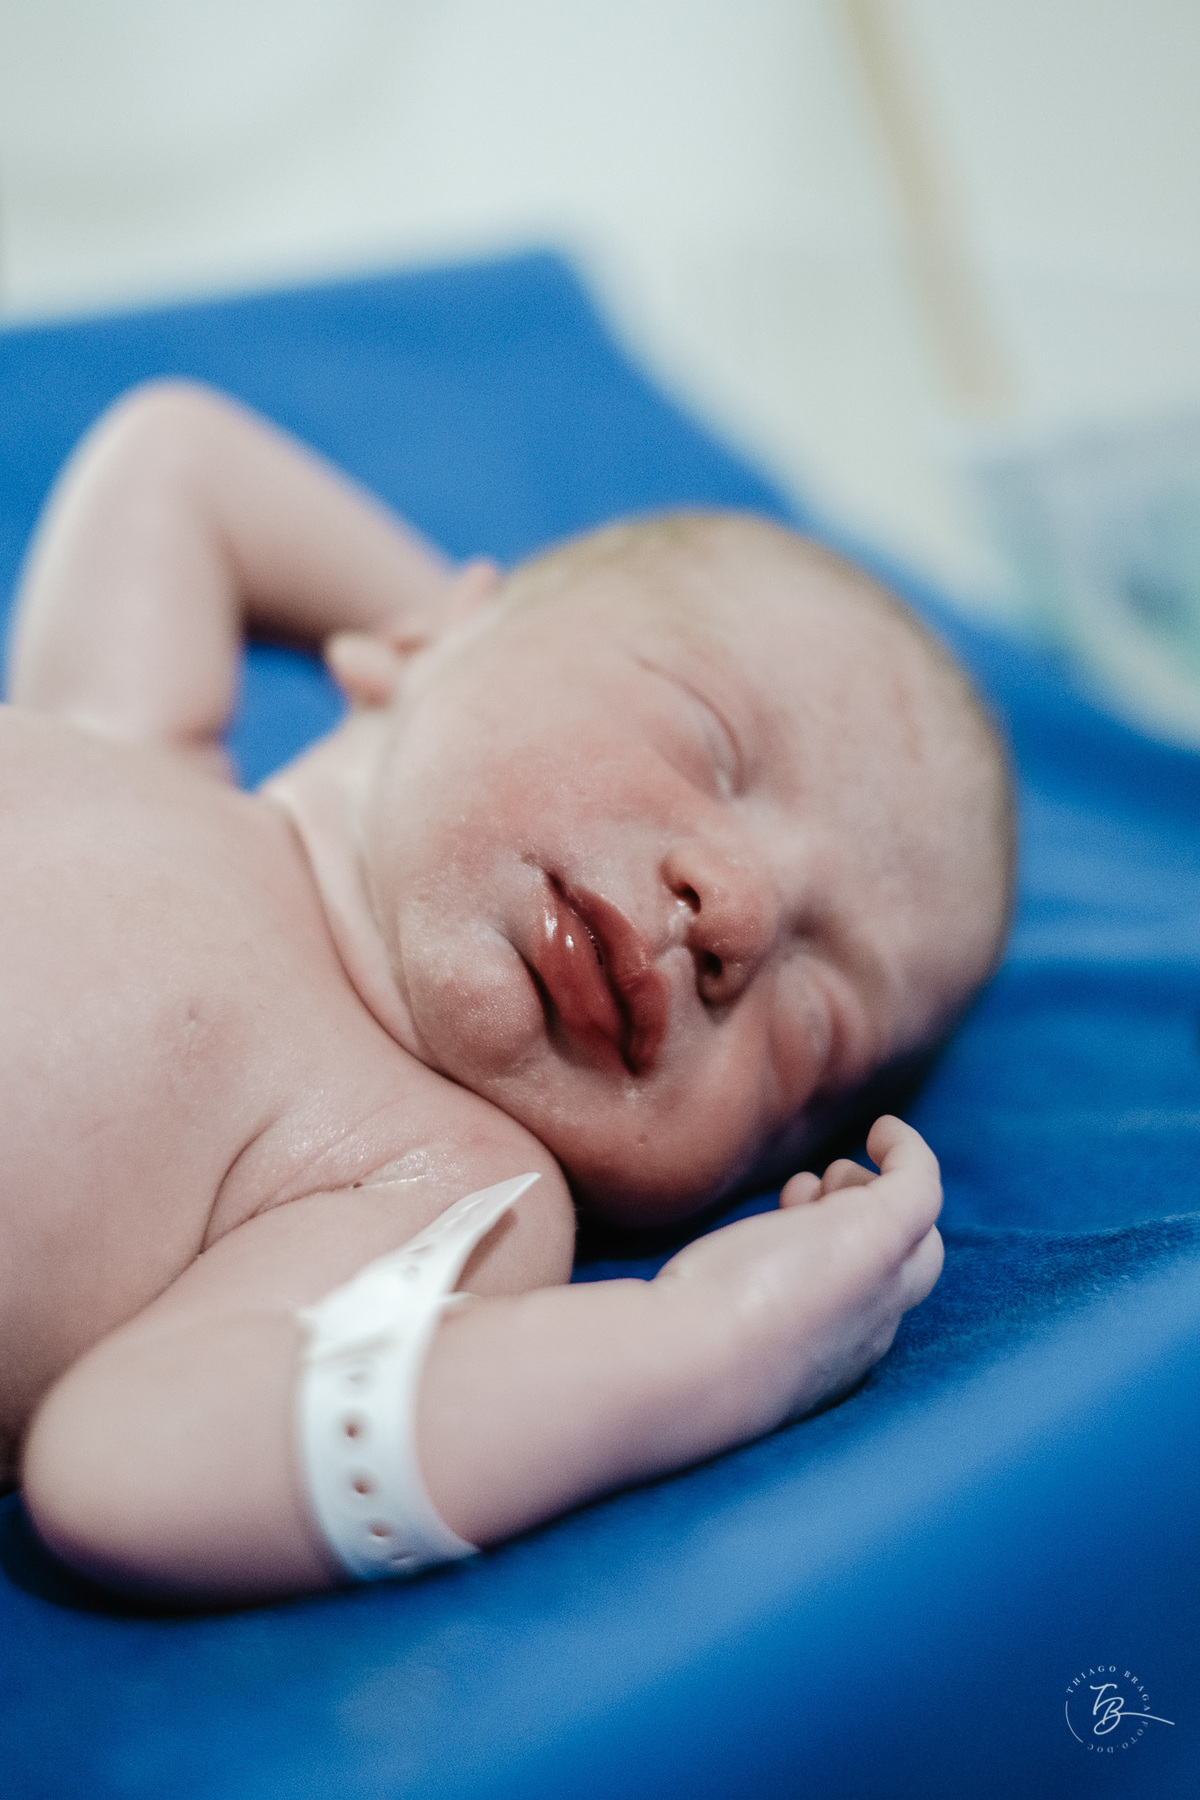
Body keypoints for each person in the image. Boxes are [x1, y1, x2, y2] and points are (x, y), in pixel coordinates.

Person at [2, 382, 1013, 1602]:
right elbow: (176, 457)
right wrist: (461, 660)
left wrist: (708, 1342)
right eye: (709, 742)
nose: (736, 912)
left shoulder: (438, 1182)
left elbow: (135, 1460)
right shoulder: (130, 743)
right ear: (430, 634)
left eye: (810, 1029)